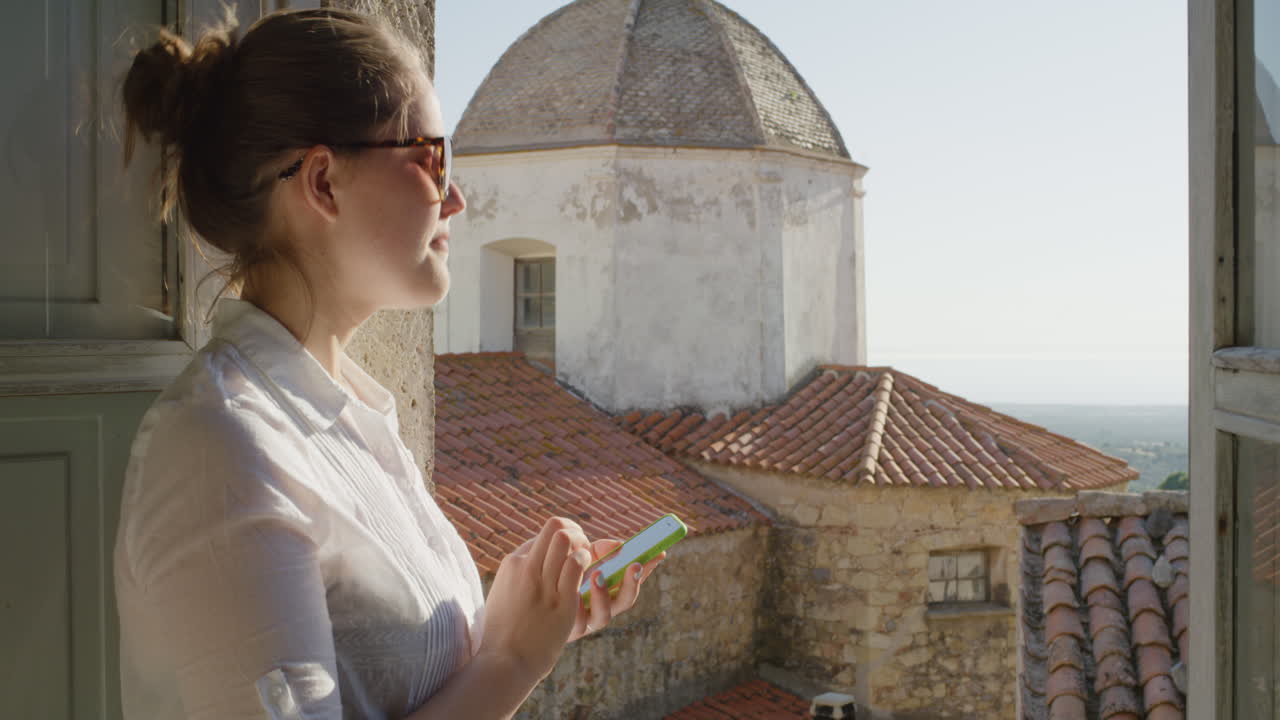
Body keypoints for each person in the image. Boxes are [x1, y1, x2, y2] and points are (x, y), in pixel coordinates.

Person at [113, 7, 663, 719]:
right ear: (323, 183)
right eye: (432, 157)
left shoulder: (347, 417)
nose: (456, 198)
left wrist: (528, 621)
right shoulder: (222, 449)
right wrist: (515, 660)